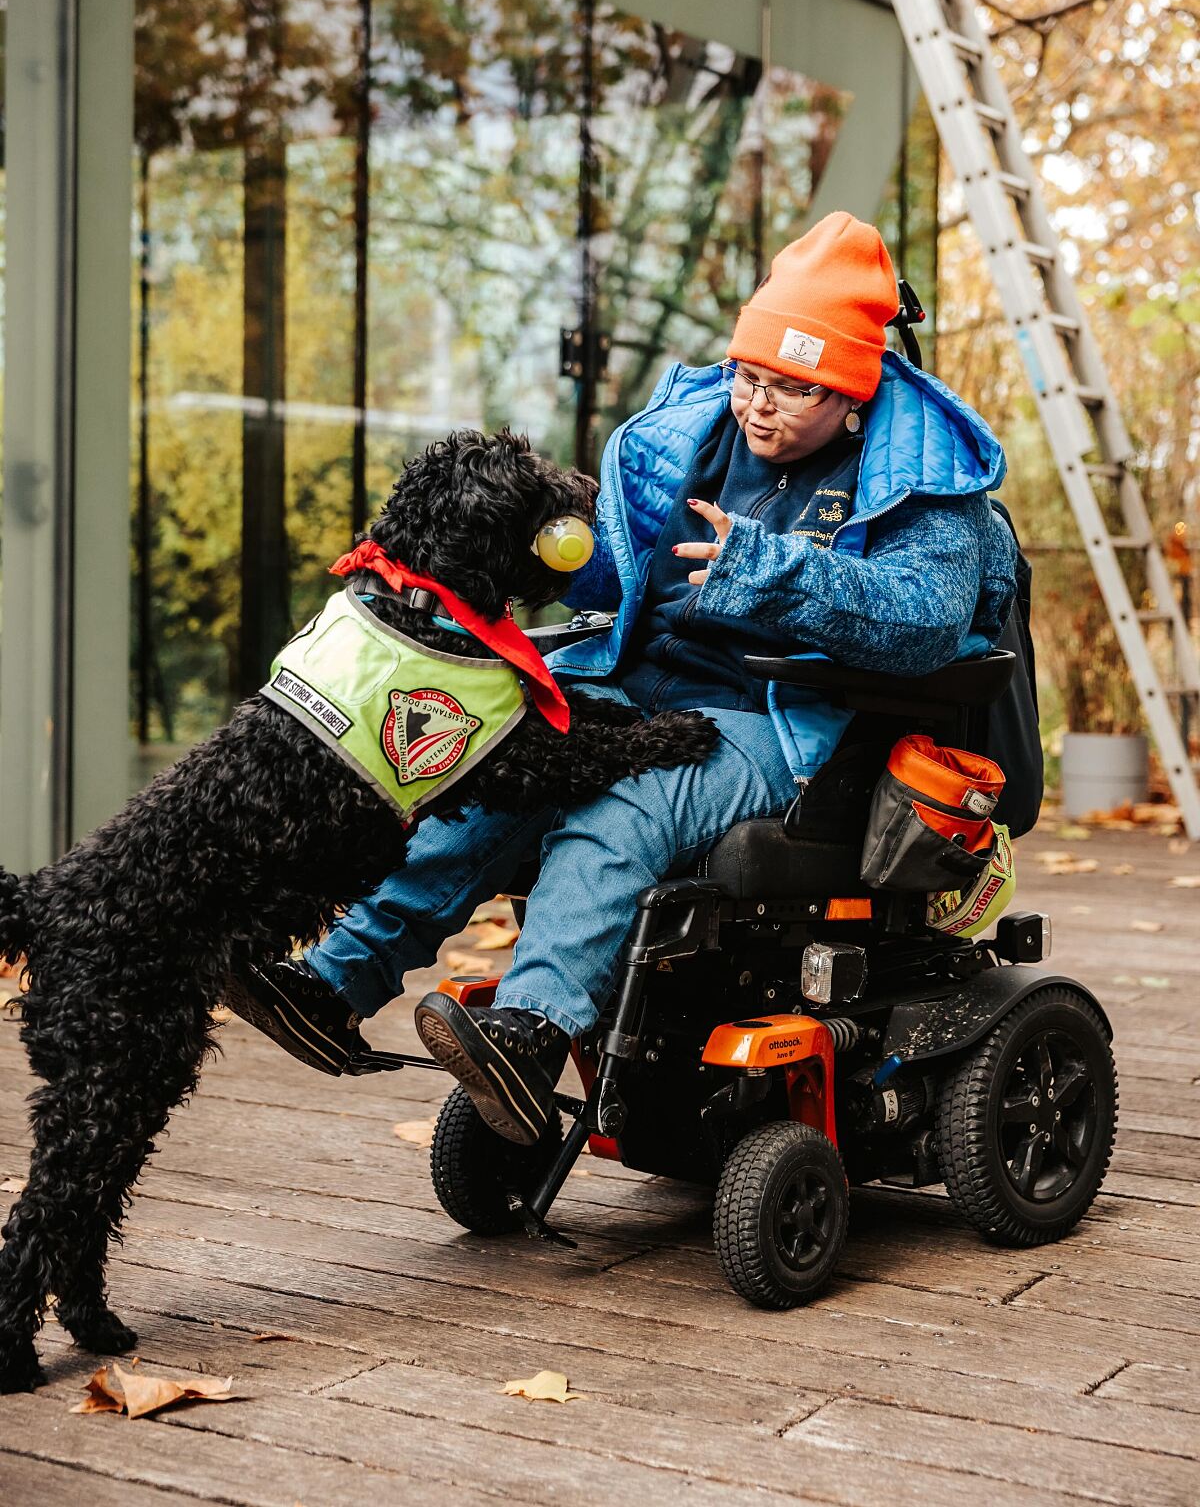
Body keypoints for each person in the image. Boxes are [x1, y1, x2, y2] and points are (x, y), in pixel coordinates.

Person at [233, 211, 1017, 1146]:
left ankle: (530, 1032)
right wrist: (548, 550)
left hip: (787, 720)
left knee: (623, 805)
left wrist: (772, 571)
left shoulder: (923, 478)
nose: (759, 405)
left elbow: (926, 621)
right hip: (642, 677)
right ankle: (336, 980)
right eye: (749, 376)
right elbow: (620, 572)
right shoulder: (700, 436)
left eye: (793, 390)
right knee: (493, 761)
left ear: (853, 396)